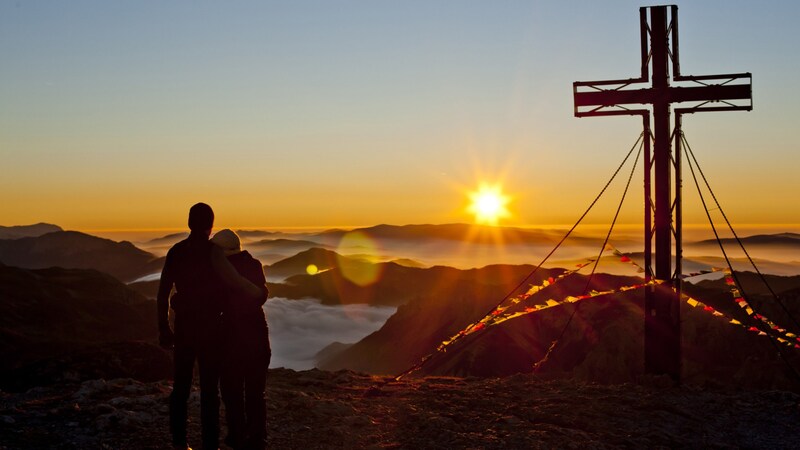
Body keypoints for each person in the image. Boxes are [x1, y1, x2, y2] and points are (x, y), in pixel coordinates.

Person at [157, 203, 262, 450]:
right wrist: (259, 293)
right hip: (212, 328)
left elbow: (163, 293)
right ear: (211, 225)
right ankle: (210, 444)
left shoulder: (176, 251)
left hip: (183, 327)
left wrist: (164, 327)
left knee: (180, 388)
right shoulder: (214, 253)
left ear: (189, 223)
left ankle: (179, 443)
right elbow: (234, 284)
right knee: (209, 390)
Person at [211, 229, 270, 450]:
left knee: (231, 389)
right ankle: (257, 438)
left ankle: (236, 437)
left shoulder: (219, 272)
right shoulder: (254, 265)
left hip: (232, 335)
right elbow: (260, 296)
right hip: (257, 333)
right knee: (256, 391)